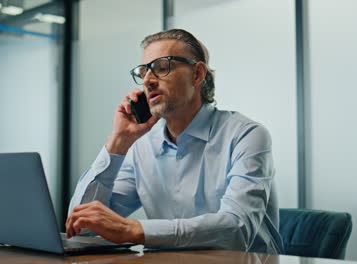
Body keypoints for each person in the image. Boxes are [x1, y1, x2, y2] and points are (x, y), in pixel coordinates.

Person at [65, 29, 284, 254]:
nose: (148, 80)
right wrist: (118, 141)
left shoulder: (247, 135)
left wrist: (132, 229)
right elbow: (82, 227)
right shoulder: (142, 145)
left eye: (161, 68)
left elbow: (236, 230)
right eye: (143, 73)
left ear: (197, 74)